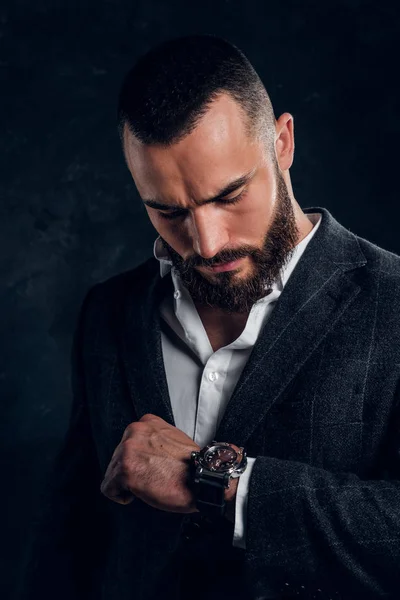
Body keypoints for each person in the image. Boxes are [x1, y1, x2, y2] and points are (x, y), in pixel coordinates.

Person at [20, 34, 400, 600]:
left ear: (283, 142)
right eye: (168, 211)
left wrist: (223, 482)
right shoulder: (108, 314)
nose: (206, 242)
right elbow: (70, 540)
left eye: (229, 195)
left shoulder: (390, 303)